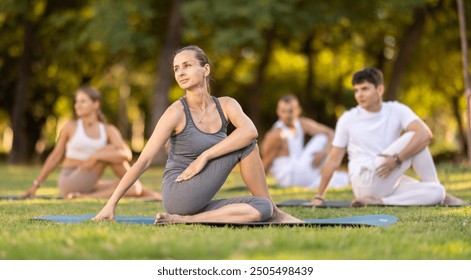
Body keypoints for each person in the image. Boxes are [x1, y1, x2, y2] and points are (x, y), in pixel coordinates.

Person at [93, 45, 302, 223]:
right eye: (176, 68)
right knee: (246, 144)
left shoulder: (227, 105)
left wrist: (205, 156)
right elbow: (144, 160)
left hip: (198, 198)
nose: (180, 72)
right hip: (179, 192)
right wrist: (111, 205)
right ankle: (277, 214)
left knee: (261, 206)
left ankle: (187, 220)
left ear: (206, 69)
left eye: (187, 66)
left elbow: (250, 130)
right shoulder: (176, 112)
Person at [311, 67, 453, 206]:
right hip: (364, 180)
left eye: (364, 89)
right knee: (415, 136)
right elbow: (334, 159)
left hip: (387, 175)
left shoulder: (396, 109)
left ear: (380, 89)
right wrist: (319, 195)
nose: (359, 95)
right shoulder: (348, 118)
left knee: (437, 191)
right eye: (356, 90)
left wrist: (397, 159)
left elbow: (426, 135)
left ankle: (382, 202)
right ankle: (436, 190)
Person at [22, 86, 162, 200]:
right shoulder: (70, 127)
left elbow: (126, 154)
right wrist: (35, 185)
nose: (78, 105)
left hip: (90, 181)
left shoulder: (107, 130)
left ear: (96, 104)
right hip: (69, 180)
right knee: (111, 157)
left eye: (83, 101)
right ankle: (153, 195)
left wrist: (95, 157)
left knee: (131, 186)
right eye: (76, 102)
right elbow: (55, 157)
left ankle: (85, 196)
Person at [261, 94, 349, 189]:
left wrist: (323, 152)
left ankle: (328, 177)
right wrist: (258, 187)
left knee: (341, 178)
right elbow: (266, 161)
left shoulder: (301, 123)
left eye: (290, 111)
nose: (287, 115)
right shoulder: (276, 134)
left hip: (301, 169)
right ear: (278, 111)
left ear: (298, 110)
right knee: (322, 138)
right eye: (283, 111)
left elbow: (331, 133)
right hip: (289, 177)